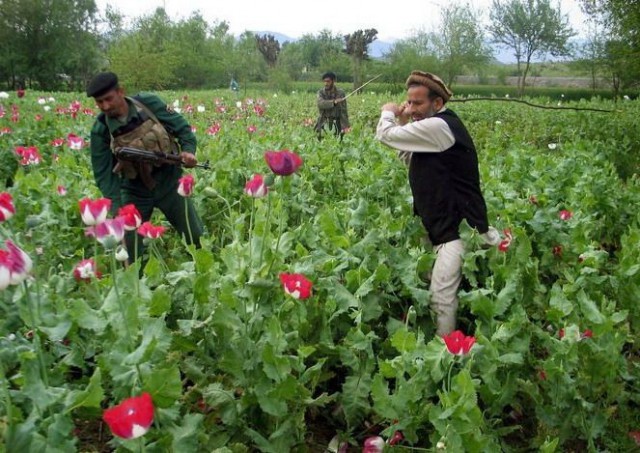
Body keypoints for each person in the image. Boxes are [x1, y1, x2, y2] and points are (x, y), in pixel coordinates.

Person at [375, 70, 500, 336]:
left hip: (458, 229)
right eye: (409, 102)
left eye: (418, 103)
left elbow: (386, 135)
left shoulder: (441, 126)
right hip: (439, 226)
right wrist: (406, 118)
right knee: (433, 285)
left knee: (441, 297)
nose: (411, 108)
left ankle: (445, 357)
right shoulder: (431, 132)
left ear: (438, 104)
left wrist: (388, 113)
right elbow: (408, 155)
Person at [86, 71, 204, 262]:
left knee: (196, 236)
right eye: (99, 102)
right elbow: (103, 175)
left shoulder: (148, 104)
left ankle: (205, 271)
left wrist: (188, 151)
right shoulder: (101, 130)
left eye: (108, 99)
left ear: (121, 92)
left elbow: (182, 128)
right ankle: (136, 285)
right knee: (130, 253)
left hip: (170, 182)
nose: (105, 106)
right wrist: (117, 205)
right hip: (134, 190)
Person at [315, 71, 350, 140]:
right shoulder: (321, 92)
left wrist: (346, 127)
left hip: (337, 123)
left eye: (328, 81)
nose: (326, 84)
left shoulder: (340, 93)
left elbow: (343, 112)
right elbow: (320, 104)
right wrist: (334, 102)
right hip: (324, 122)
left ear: (333, 81)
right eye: (324, 81)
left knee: (338, 143)